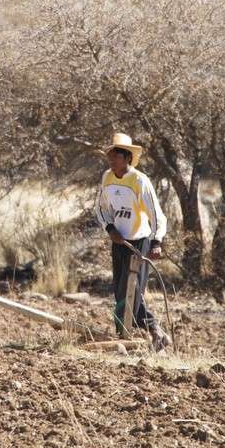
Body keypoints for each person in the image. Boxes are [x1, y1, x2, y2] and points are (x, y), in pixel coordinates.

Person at [94, 133, 170, 350]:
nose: (112, 160)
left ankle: (146, 332)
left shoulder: (139, 181)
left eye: (116, 156)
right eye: (110, 156)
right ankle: (147, 333)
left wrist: (156, 242)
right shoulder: (107, 178)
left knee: (133, 293)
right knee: (121, 292)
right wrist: (109, 228)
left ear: (128, 158)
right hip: (118, 241)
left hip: (138, 243)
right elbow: (101, 208)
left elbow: (155, 214)